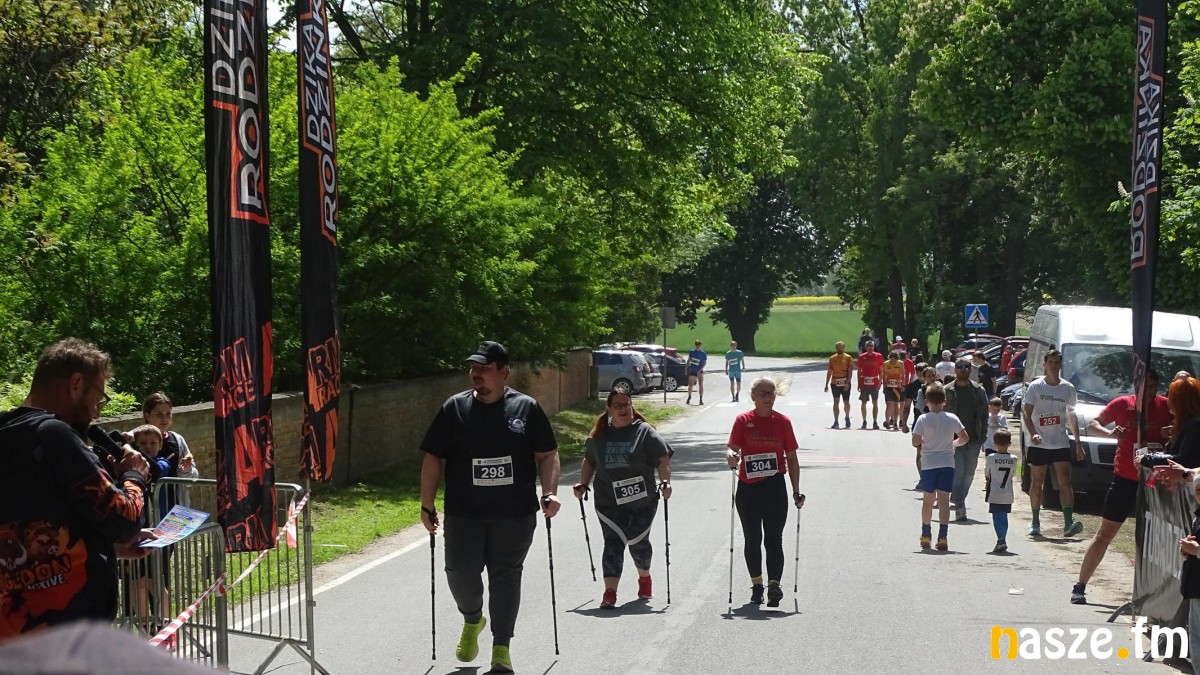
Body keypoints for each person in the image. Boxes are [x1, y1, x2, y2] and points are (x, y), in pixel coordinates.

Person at [420, 341, 561, 674]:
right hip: (463, 514)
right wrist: (426, 505)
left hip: (514, 515)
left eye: (484, 368)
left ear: (503, 372)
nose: (476, 374)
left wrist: (550, 493)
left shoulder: (526, 408)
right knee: (459, 573)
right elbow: (433, 457)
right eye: (473, 368)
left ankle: (501, 648)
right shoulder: (454, 408)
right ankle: (473, 619)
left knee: (506, 578)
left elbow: (547, 455)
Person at [0, 338, 152, 638]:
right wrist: (134, 474)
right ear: (76, 384)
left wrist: (107, 549)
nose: (96, 413)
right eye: (98, 399)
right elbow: (125, 521)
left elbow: (38, 524)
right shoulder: (55, 436)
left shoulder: (8, 433)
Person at [1071, 369, 1170, 605]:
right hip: (1125, 479)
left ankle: (1153, 595)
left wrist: (1171, 431)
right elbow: (1093, 424)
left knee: (1155, 540)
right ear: (1137, 387)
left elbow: (1184, 427)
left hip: (1155, 482)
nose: (1150, 392)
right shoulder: (1123, 404)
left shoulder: (1166, 406)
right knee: (1105, 533)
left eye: (1154, 387)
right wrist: (1110, 433)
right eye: (1146, 387)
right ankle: (1080, 586)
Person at [574, 391, 672, 608]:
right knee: (613, 543)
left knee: (638, 543)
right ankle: (610, 592)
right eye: (618, 405)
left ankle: (644, 577)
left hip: (642, 500)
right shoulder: (600, 435)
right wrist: (583, 484)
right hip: (608, 501)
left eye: (627, 404)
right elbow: (589, 460)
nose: (623, 409)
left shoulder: (643, 431)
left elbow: (662, 457)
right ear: (609, 409)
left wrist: (665, 482)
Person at [725, 377, 804, 607]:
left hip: (774, 487)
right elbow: (732, 447)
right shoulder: (743, 420)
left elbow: (792, 458)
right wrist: (731, 456)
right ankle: (757, 584)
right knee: (752, 539)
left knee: (773, 539)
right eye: (763, 393)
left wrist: (796, 491)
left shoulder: (783, 422)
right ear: (753, 396)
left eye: (771, 393)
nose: (768, 398)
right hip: (748, 488)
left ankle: (774, 586)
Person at [1022, 348, 1084, 538]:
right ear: (1044, 364)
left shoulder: (1068, 388)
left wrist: (1078, 443)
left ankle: (1068, 523)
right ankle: (1035, 522)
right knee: (1037, 481)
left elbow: (1072, 416)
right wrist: (1033, 434)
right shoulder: (1036, 387)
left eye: (1057, 363)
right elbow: (1026, 413)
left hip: (1060, 442)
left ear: (1061, 365)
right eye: (1051, 362)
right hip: (1039, 443)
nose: (1054, 366)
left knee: (1065, 481)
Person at [911, 383, 969, 551]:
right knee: (944, 501)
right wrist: (952, 444)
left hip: (929, 464)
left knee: (928, 501)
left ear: (926, 402)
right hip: (947, 463)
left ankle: (925, 533)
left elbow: (915, 441)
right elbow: (965, 438)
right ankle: (943, 537)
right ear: (944, 401)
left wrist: (924, 442)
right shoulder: (952, 418)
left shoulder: (923, 419)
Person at [945, 357, 988, 521]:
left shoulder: (978, 390)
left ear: (971, 369)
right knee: (958, 473)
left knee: (969, 474)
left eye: (966, 366)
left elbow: (984, 414)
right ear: (955, 369)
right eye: (960, 366)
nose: (963, 369)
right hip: (953, 440)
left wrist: (983, 437)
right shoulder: (947, 390)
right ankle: (960, 505)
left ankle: (958, 497)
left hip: (974, 439)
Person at [1180, 474, 1200, 675]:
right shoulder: (1197, 517)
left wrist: (1196, 550)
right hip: (1195, 588)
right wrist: (1187, 551)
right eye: (1199, 490)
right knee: (1196, 640)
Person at [984, 429, 1017, 553]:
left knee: (996, 516)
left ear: (994, 443)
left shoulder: (991, 458)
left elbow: (987, 473)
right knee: (1004, 516)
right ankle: (1003, 537)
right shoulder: (1014, 459)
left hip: (994, 492)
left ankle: (1000, 539)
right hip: (1007, 492)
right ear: (1010, 443)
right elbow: (1013, 473)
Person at [823, 341, 855, 429]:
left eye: (841, 347)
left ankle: (847, 417)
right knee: (836, 401)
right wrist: (826, 384)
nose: (839, 349)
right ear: (836, 348)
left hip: (845, 381)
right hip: (835, 382)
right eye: (838, 347)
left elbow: (850, 371)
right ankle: (836, 421)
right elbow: (829, 371)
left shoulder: (848, 357)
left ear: (844, 348)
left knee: (846, 401)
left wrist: (847, 382)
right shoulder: (832, 358)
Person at [856, 339, 884, 430]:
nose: (870, 348)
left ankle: (875, 421)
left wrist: (880, 381)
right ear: (865, 347)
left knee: (875, 402)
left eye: (871, 346)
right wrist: (859, 383)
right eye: (868, 346)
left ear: (874, 347)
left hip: (875, 382)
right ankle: (864, 421)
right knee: (864, 402)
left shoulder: (878, 356)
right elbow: (859, 371)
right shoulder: (862, 357)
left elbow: (881, 370)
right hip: (864, 382)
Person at [881, 351, 906, 431]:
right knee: (889, 404)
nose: (893, 361)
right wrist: (884, 387)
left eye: (894, 360)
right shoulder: (886, 364)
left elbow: (903, 374)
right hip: (888, 387)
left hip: (897, 387)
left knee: (896, 404)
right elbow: (884, 375)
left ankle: (895, 421)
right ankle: (887, 421)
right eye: (891, 359)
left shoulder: (900, 363)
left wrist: (903, 385)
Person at [686, 340, 707, 406]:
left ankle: (701, 399)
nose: (698, 346)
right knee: (690, 385)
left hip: (699, 371)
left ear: (700, 345)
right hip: (693, 370)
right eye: (697, 344)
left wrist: (700, 369)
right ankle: (689, 396)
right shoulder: (692, 351)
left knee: (701, 384)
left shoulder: (703, 353)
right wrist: (686, 368)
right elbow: (689, 360)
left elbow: (704, 363)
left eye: (699, 345)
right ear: (695, 345)